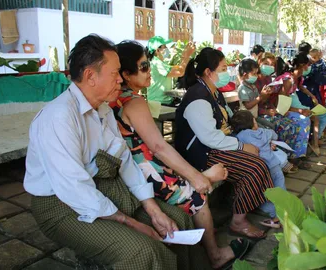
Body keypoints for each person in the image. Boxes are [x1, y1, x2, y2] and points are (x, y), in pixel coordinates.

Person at [24, 34, 209, 270]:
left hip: (101, 189)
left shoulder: (102, 111)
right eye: (115, 74)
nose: (120, 81)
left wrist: (153, 211)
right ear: (91, 76)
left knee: (177, 221)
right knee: (142, 250)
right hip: (60, 205)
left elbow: (124, 161)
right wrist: (130, 222)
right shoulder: (59, 118)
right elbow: (75, 188)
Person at [110, 40, 250, 269]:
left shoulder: (114, 98)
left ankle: (203, 179)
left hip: (135, 165)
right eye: (144, 67)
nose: (149, 71)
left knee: (192, 174)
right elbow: (159, 147)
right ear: (126, 74)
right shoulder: (134, 102)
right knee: (198, 195)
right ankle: (215, 255)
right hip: (144, 171)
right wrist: (196, 177)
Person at [175, 47, 274, 240]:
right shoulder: (197, 97)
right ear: (208, 72)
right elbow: (209, 138)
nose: (227, 72)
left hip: (218, 145)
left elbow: (227, 121)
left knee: (261, 155)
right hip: (203, 153)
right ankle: (238, 222)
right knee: (255, 166)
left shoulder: (213, 92)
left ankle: (246, 204)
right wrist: (242, 146)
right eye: (222, 68)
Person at [231, 110, 287, 228]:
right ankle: (285, 214)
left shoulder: (240, 136)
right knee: (281, 190)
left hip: (263, 171)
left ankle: (275, 216)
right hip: (275, 167)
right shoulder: (263, 132)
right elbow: (274, 134)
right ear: (253, 123)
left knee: (265, 196)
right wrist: (269, 140)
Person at [254, 52, 307, 171]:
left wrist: (275, 109)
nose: (270, 66)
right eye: (266, 63)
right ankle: (279, 161)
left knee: (292, 125)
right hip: (258, 113)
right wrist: (266, 109)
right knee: (282, 127)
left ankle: (288, 157)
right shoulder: (254, 80)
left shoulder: (268, 79)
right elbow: (251, 105)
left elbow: (269, 100)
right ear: (259, 63)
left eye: (272, 64)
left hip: (268, 110)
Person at [146, 36, 196, 106]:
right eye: (165, 47)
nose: (167, 49)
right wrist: (187, 55)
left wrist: (184, 54)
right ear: (157, 50)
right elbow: (180, 72)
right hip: (159, 103)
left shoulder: (158, 63)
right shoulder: (157, 63)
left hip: (160, 103)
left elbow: (179, 68)